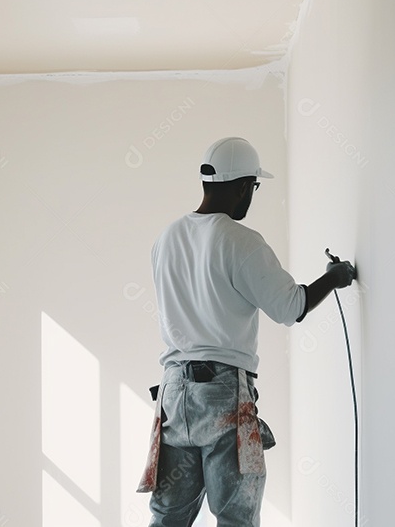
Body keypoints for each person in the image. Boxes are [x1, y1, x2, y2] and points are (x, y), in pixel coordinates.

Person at [137, 137, 355, 526]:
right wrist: (334, 277)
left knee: (167, 519)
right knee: (236, 518)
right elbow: (292, 307)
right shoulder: (241, 241)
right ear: (242, 187)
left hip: (173, 396)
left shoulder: (165, 238)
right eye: (254, 187)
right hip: (223, 394)